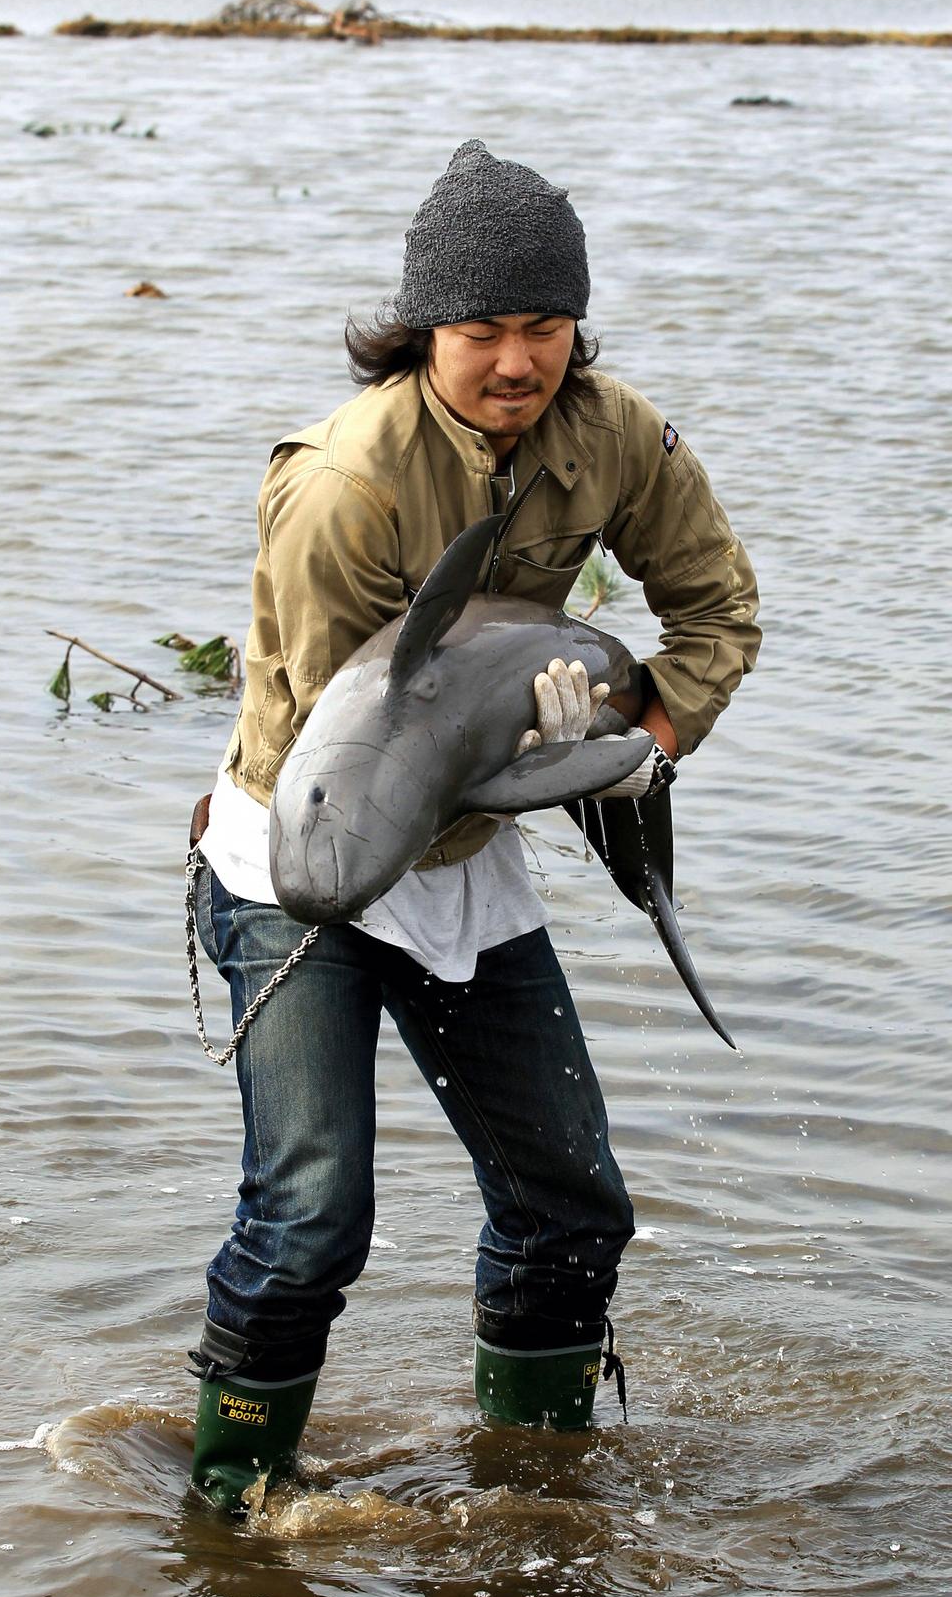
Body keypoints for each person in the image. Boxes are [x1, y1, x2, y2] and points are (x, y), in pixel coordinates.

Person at [187, 139, 761, 1512]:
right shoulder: (346, 486)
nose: (517, 360)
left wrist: (635, 754)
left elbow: (717, 611)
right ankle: (232, 1512)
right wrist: (523, 758)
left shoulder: (617, 434)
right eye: (482, 329)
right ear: (421, 332)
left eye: (543, 327)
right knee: (314, 1219)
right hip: (306, 854)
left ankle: (531, 1492)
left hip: (466, 866)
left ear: (576, 326)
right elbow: (362, 756)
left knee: (573, 1202)